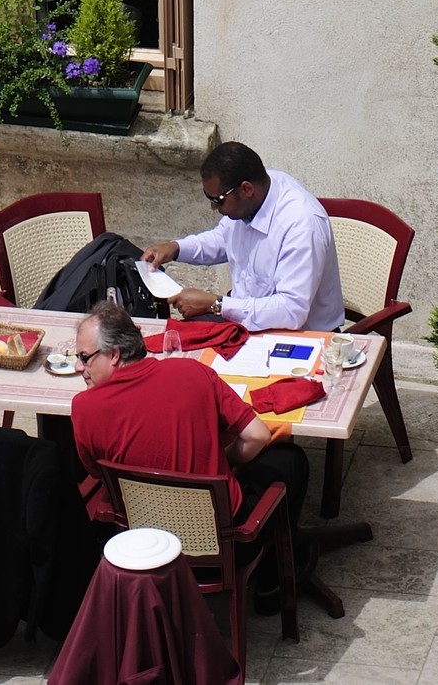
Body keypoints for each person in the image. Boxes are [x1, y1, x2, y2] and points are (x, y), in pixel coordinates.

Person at [68, 300, 308, 555]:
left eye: (84, 358)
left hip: (145, 548)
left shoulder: (84, 408)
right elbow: (257, 436)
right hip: (223, 546)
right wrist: (225, 459)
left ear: (114, 354)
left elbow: (96, 472)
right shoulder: (193, 372)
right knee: (290, 459)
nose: (78, 367)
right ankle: (274, 579)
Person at [143, 140, 344, 331]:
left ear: (247, 189)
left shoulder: (301, 225)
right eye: (209, 198)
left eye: (218, 200)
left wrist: (216, 304)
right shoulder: (254, 197)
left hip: (301, 338)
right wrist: (176, 248)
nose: (213, 207)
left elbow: (291, 310)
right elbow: (222, 238)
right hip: (246, 326)